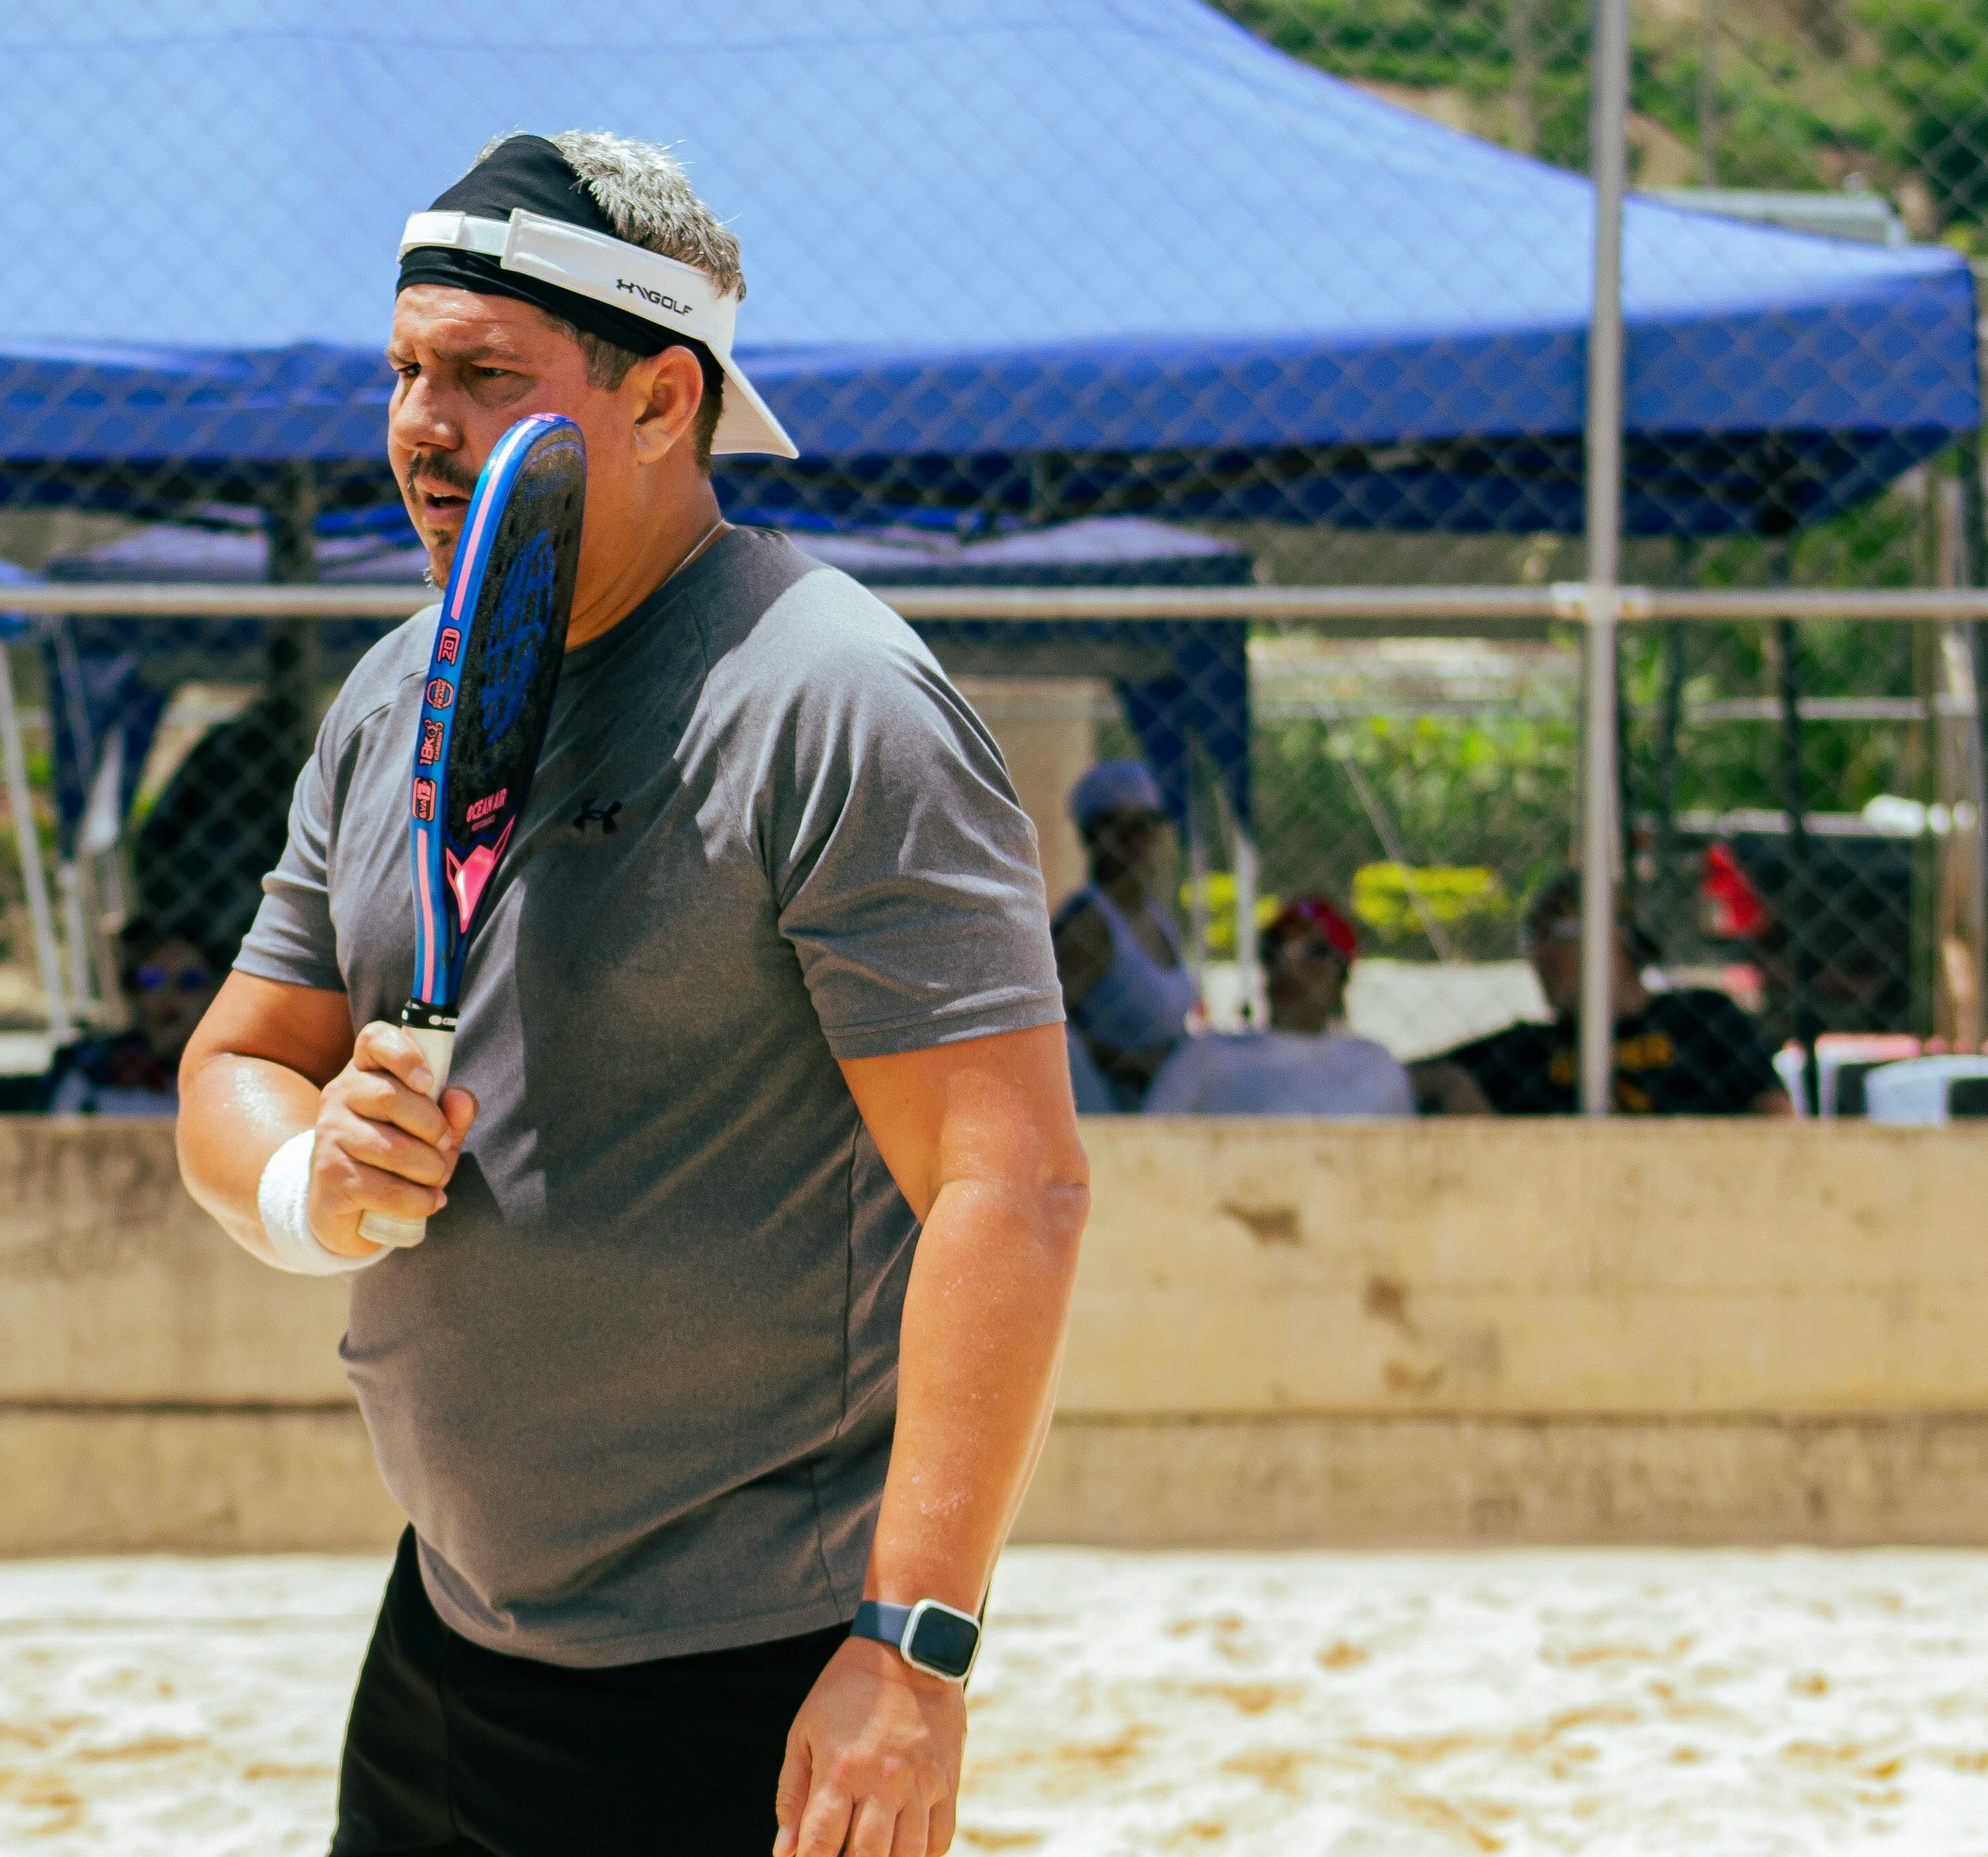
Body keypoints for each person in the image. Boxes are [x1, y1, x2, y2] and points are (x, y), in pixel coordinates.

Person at [177, 131, 1087, 1857]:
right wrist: (312, 1179)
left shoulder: (831, 698)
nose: (419, 425)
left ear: (665, 397)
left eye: (481, 375)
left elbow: (1012, 1186)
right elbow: (238, 1062)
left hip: (747, 1670)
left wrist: (913, 1650)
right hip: (446, 1631)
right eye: (403, 372)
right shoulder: (391, 695)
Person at [1410, 871, 1786, 1116]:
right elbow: (1398, 1076)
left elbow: (1776, 1115)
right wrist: (1454, 1088)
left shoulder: (1703, 1019)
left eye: (1553, 935)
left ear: (1611, 937)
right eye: (1531, 941)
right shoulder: (1525, 1051)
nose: (1539, 956)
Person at [1143, 893, 1413, 1117]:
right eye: (1276, 947)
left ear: (1342, 973)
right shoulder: (1205, 1056)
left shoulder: (1375, 1065)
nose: (1290, 967)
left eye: (1314, 952)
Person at [1050, 758, 1196, 1111]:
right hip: (1112, 1112)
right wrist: (1131, 1063)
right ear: (1091, 838)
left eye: (1147, 825)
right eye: (1121, 829)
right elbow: (1049, 1031)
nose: (1138, 842)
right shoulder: (1089, 925)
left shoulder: (1155, 915)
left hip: (1163, 1103)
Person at [40, 922, 219, 1116]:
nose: (169, 995)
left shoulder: (230, 1073)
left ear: (214, 992)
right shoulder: (93, 1074)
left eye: (189, 981)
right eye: (152, 981)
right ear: (133, 991)